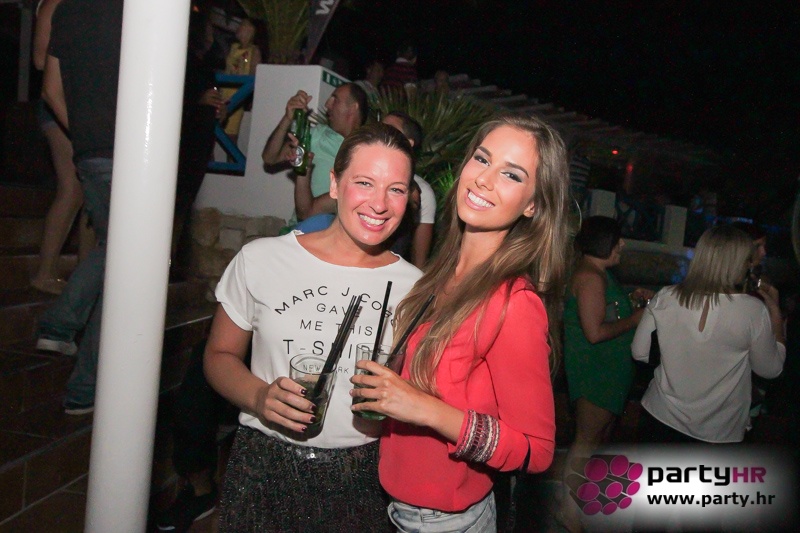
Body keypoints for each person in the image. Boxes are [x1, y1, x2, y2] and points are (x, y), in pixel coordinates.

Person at [351, 114, 570, 532]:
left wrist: (425, 409)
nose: (484, 179)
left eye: (511, 174)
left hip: (445, 523)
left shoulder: (514, 303)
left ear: (533, 205)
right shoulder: (440, 274)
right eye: (482, 159)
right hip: (395, 507)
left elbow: (537, 451)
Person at [204, 123, 422, 531]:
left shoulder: (417, 288)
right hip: (263, 466)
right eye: (364, 183)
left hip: (362, 476)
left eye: (395, 189)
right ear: (335, 184)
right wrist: (259, 396)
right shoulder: (262, 259)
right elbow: (219, 356)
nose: (379, 204)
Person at [37, 0, 123, 415]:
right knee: (124, 261)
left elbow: (50, 90)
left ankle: (61, 331)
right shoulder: (139, 12)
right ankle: (84, 385)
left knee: (114, 253)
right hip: (128, 156)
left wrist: (88, 133)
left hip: (90, 153)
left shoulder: (68, 10)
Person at [631, 225, 786, 443]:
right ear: (737, 262)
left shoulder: (666, 295)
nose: (749, 265)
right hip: (717, 431)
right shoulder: (752, 310)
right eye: (746, 259)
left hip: (659, 416)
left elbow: (639, 353)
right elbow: (770, 369)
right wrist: (776, 317)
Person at [30, 0, 94, 295]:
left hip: (84, 104)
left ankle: (85, 276)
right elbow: (39, 60)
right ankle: (44, 273)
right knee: (72, 188)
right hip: (58, 103)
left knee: (89, 193)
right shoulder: (54, 3)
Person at [261, 82, 368, 221]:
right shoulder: (319, 135)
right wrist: (287, 118)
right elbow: (270, 157)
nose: (327, 104)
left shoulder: (367, 150)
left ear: (353, 108)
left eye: (335, 99)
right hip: (303, 227)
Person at [220, 17, 261, 148]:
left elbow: (254, 75)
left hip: (238, 96)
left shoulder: (254, 51)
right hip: (224, 94)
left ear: (251, 30)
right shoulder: (233, 47)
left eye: (243, 24)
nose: (239, 27)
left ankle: (232, 160)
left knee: (231, 136)